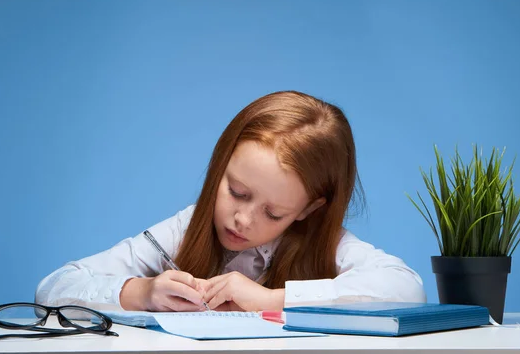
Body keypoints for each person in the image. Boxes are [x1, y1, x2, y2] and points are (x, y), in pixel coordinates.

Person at [35, 90, 426, 313]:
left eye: (273, 213)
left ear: (309, 209)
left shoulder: (327, 243)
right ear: (219, 166)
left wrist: (273, 299)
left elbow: (408, 289)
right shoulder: (184, 230)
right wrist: (141, 292)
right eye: (237, 192)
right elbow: (53, 288)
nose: (242, 219)